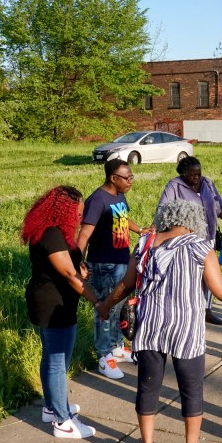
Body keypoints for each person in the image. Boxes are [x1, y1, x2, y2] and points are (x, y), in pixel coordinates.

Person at [98, 199, 222, 443]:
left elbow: (127, 284)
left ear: (165, 217)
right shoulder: (201, 247)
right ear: (194, 220)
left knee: (148, 386)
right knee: (191, 389)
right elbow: (221, 291)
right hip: (186, 327)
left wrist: (105, 305)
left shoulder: (144, 244)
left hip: (149, 324)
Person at [21, 186, 103, 439]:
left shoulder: (53, 231)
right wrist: (98, 301)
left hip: (53, 300)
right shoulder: (53, 234)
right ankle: (63, 421)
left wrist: (80, 268)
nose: (79, 218)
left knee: (51, 358)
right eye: (77, 213)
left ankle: (51, 407)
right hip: (53, 304)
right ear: (64, 211)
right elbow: (68, 273)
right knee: (58, 363)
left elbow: (69, 267)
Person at [77, 159, 150, 380]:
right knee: (105, 308)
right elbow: (85, 233)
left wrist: (140, 230)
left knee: (118, 306)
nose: (131, 181)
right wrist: (78, 260)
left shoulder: (119, 196)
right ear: (113, 178)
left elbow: (123, 218)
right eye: (127, 177)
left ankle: (117, 347)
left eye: (131, 177)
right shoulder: (97, 199)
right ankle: (103, 355)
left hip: (121, 261)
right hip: (103, 264)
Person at [157, 156, 222, 325]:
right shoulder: (174, 186)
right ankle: (185, 312)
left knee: (209, 276)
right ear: (183, 173)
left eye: (199, 173)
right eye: (193, 174)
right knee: (188, 276)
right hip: (185, 241)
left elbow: (220, 208)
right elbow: (163, 209)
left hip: (208, 238)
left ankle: (207, 310)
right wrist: (155, 230)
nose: (197, 177)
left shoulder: (207, 184)